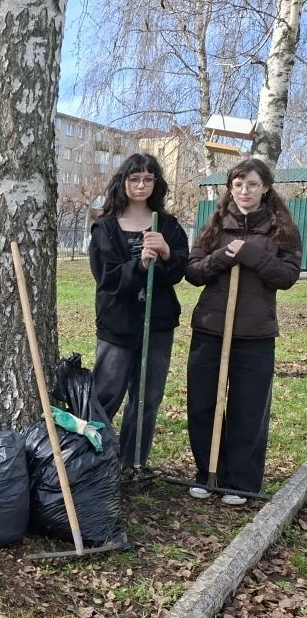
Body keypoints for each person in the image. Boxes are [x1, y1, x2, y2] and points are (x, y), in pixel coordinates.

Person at [185, 158, 302, 506]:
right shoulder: (215, 225)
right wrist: (224, 255)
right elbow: (193, 272)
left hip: (255, 334)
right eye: (237, 184)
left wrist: (250, 254)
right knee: (203, 404)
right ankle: (207, 472)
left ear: (265, 187)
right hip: (211, 328)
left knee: (248, 409)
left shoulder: (281, 229)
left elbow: (287, 276)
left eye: (251, 184)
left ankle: (241, 481)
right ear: (230, 188)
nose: (244, 191)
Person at [88, 154, 189, 480]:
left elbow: (179, 271)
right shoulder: (106, 226)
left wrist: (167, 253)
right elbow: (107, 278)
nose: (141, 185)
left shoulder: (167, 225)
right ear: (124, 182)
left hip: (157, 323)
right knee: (106, 394)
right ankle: (93, 463)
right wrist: (141, 265)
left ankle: (132, 464)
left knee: (147, 397)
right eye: (135, 179)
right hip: (117, 324)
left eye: (148, 179)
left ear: (156, 183)